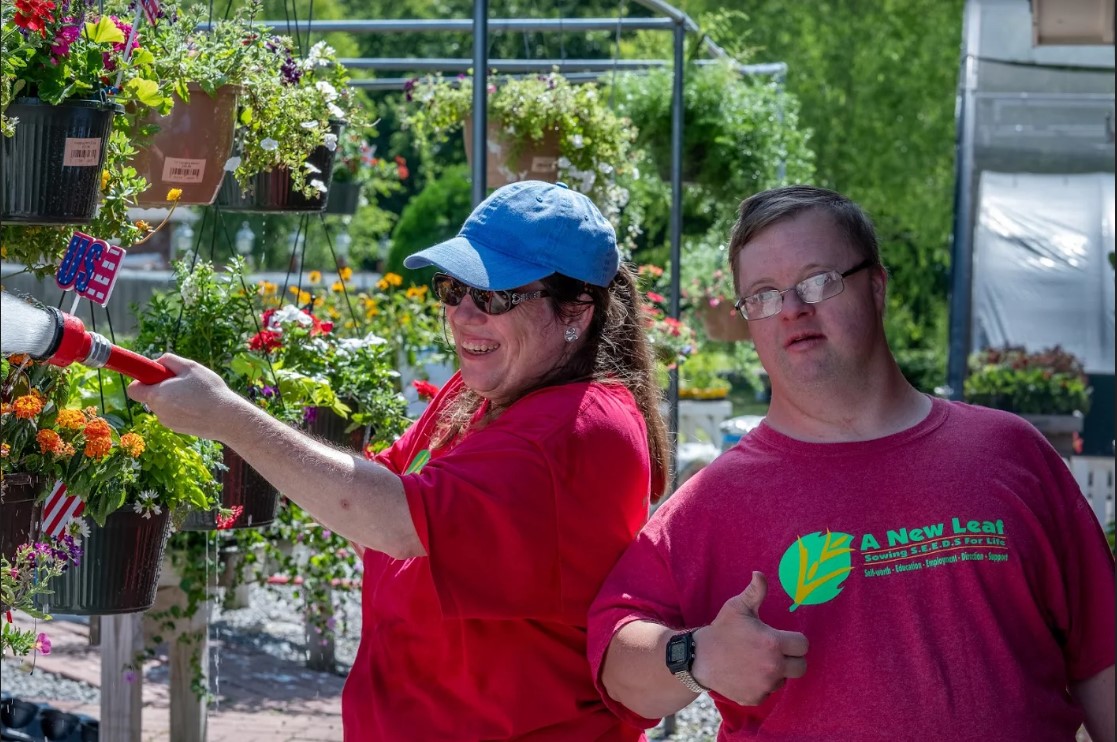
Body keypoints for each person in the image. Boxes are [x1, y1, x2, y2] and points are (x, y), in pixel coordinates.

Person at [129, 180, 668, 741]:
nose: (462, 314)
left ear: (575, 312)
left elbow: (393, 520)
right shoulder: (480, 395)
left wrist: (229, 418)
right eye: (453, 288)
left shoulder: (573, 426)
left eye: (493, 295)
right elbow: (375, 503)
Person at [588, 185, 1115, 741]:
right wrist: (695, 656)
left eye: (819, 280)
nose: (793, 308)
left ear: (878, 287)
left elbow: (1101, 657)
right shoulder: (716, 501)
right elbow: (616, 661)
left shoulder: (1010, 453)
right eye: (764, 295)